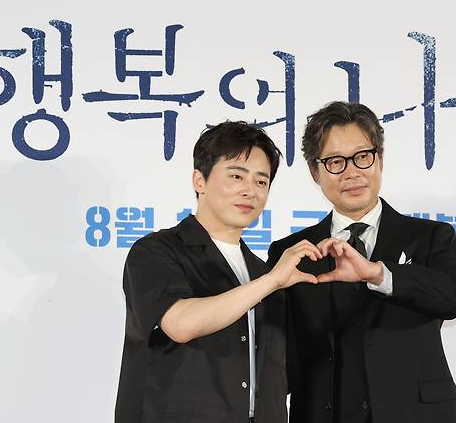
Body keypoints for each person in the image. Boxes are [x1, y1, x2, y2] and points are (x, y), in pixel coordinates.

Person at [267, 102, 456, 423]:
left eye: (362, 156)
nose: (352, 172)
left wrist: (379, 274)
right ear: (314, 171)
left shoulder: (428, 236)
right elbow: (281, 356)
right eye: (335, 161)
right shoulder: (292, 253)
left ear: (379, 158)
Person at [115, 121, 321, 423]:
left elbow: (280, 377)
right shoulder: (156, 251)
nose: (249, 191)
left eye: (261, 182)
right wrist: (272, 281)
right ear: (200, 180)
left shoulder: (262, 271)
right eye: (236, 176)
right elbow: (180, 323)